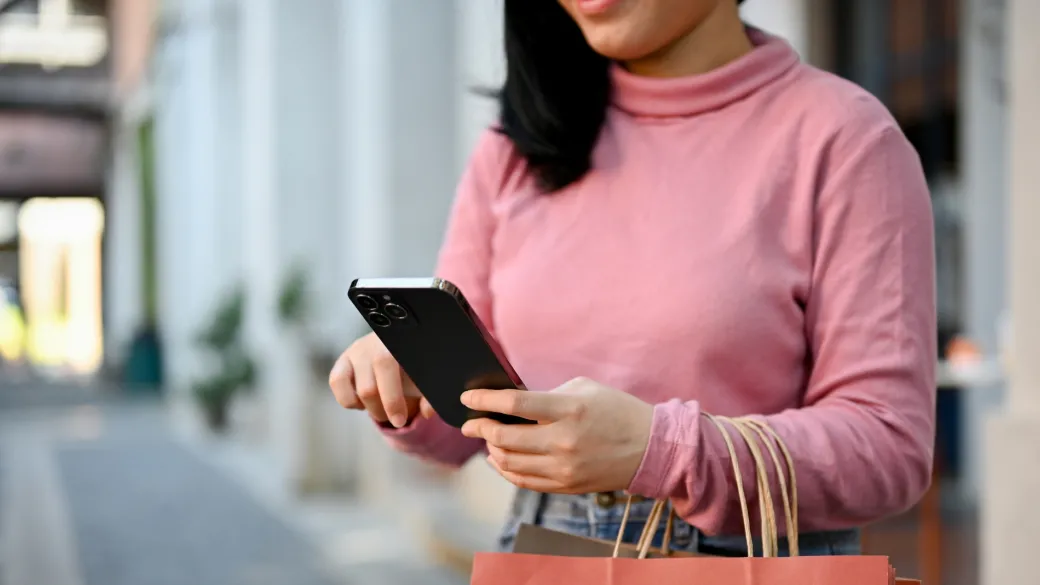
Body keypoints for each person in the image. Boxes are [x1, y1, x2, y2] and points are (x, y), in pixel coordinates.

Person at [330, 0, 936, 557]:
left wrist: (662, 452)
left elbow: (888, 446)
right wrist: (409, 383)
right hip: (546, 549)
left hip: (747, 557)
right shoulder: (515, 146)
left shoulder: (845, 140)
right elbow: (469, 426)